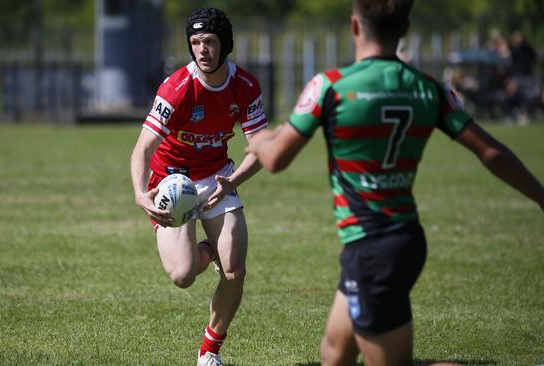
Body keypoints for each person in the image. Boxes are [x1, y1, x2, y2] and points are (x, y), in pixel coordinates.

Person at [247, 1, 544, 365]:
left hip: (372, 246)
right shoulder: (430, 89)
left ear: (355, 26)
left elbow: (276, 158)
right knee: (334, 352)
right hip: (401, 237)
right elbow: (492, 154)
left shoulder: (332, 86)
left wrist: (260, 140)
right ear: (405, 29)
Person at [130, 7, 267, 366]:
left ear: (225, 45)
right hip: (172, 182)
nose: (202, 49)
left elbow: (261, 149)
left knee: (235, 271)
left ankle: (209, 353)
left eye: (209, 41)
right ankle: (211, 248)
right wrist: (140, 193)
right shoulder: (176, 87)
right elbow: (143, 148)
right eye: (195, 42)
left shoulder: (246, 86)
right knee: (182, 275)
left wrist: (232, 182)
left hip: (218, 179)